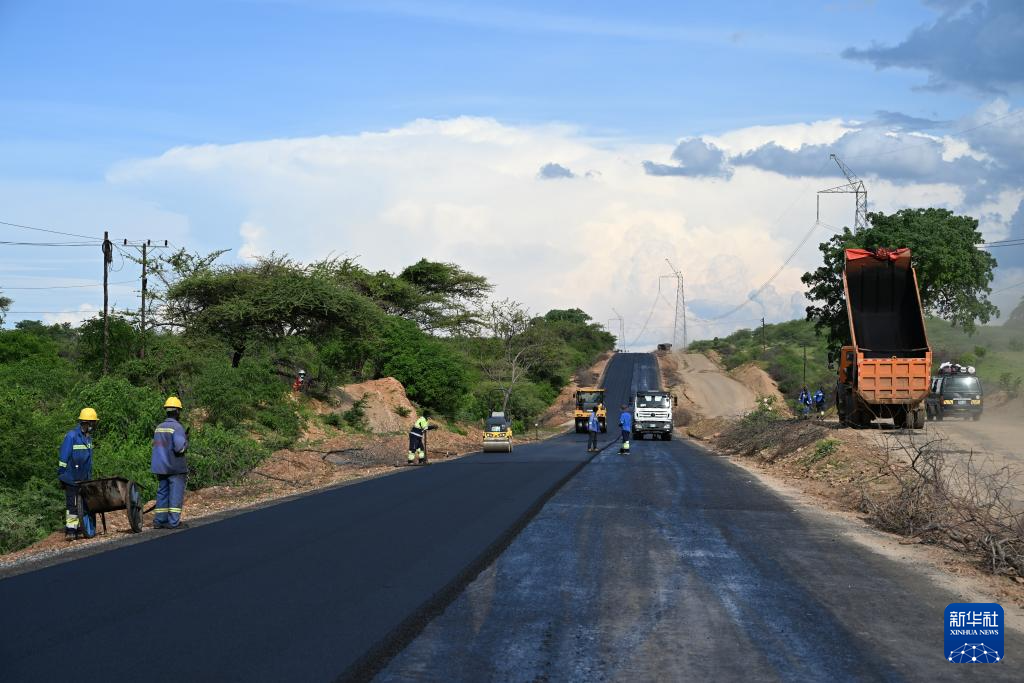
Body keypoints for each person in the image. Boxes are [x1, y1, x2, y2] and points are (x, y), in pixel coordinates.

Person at [57, 407, 98, 541]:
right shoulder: (72, 436)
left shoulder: (88, 438)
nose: (94, 425)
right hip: (71, 477)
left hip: (84, 478)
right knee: (72, 505)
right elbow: (63, 458)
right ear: (86, 423)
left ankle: (81, 527)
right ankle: (71, 530)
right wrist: (62, 475)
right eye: (92, 423)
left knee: (84, 504)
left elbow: (89, 460)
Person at [151, 396, 189, 529]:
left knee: (162, 493)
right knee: (175, 494)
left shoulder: (159, 428)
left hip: (161, 468)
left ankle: (159, 521)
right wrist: (186, 441)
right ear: (177, 411)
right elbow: (180, 448)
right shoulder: (177, 428)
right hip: (174, 468)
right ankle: (173, 522)